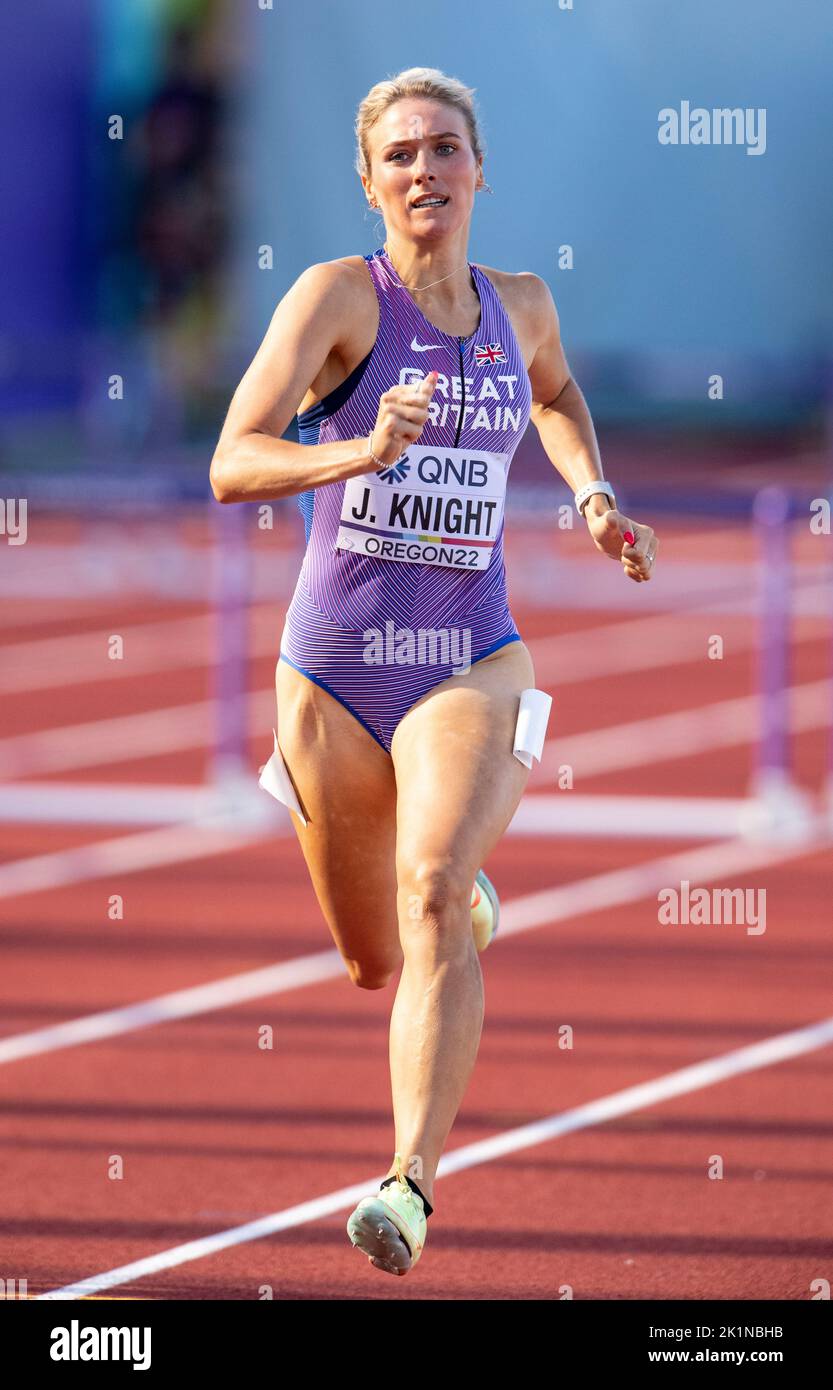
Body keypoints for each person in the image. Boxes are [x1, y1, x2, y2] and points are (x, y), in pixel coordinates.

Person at [210, 66, 659, 1277]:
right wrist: (357, 443)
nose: (423, 169)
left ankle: (408, 1181)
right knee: (373, 959)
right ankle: (452, 901)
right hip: (329, 679)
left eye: (443, 148)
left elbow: (557, 396)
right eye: (399, 154)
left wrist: (593, 496)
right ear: (368, 182)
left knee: (429, 883)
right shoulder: (333, 304)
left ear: (478, 170)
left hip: (469, 654)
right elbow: (231, 461)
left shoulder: (521, 307)